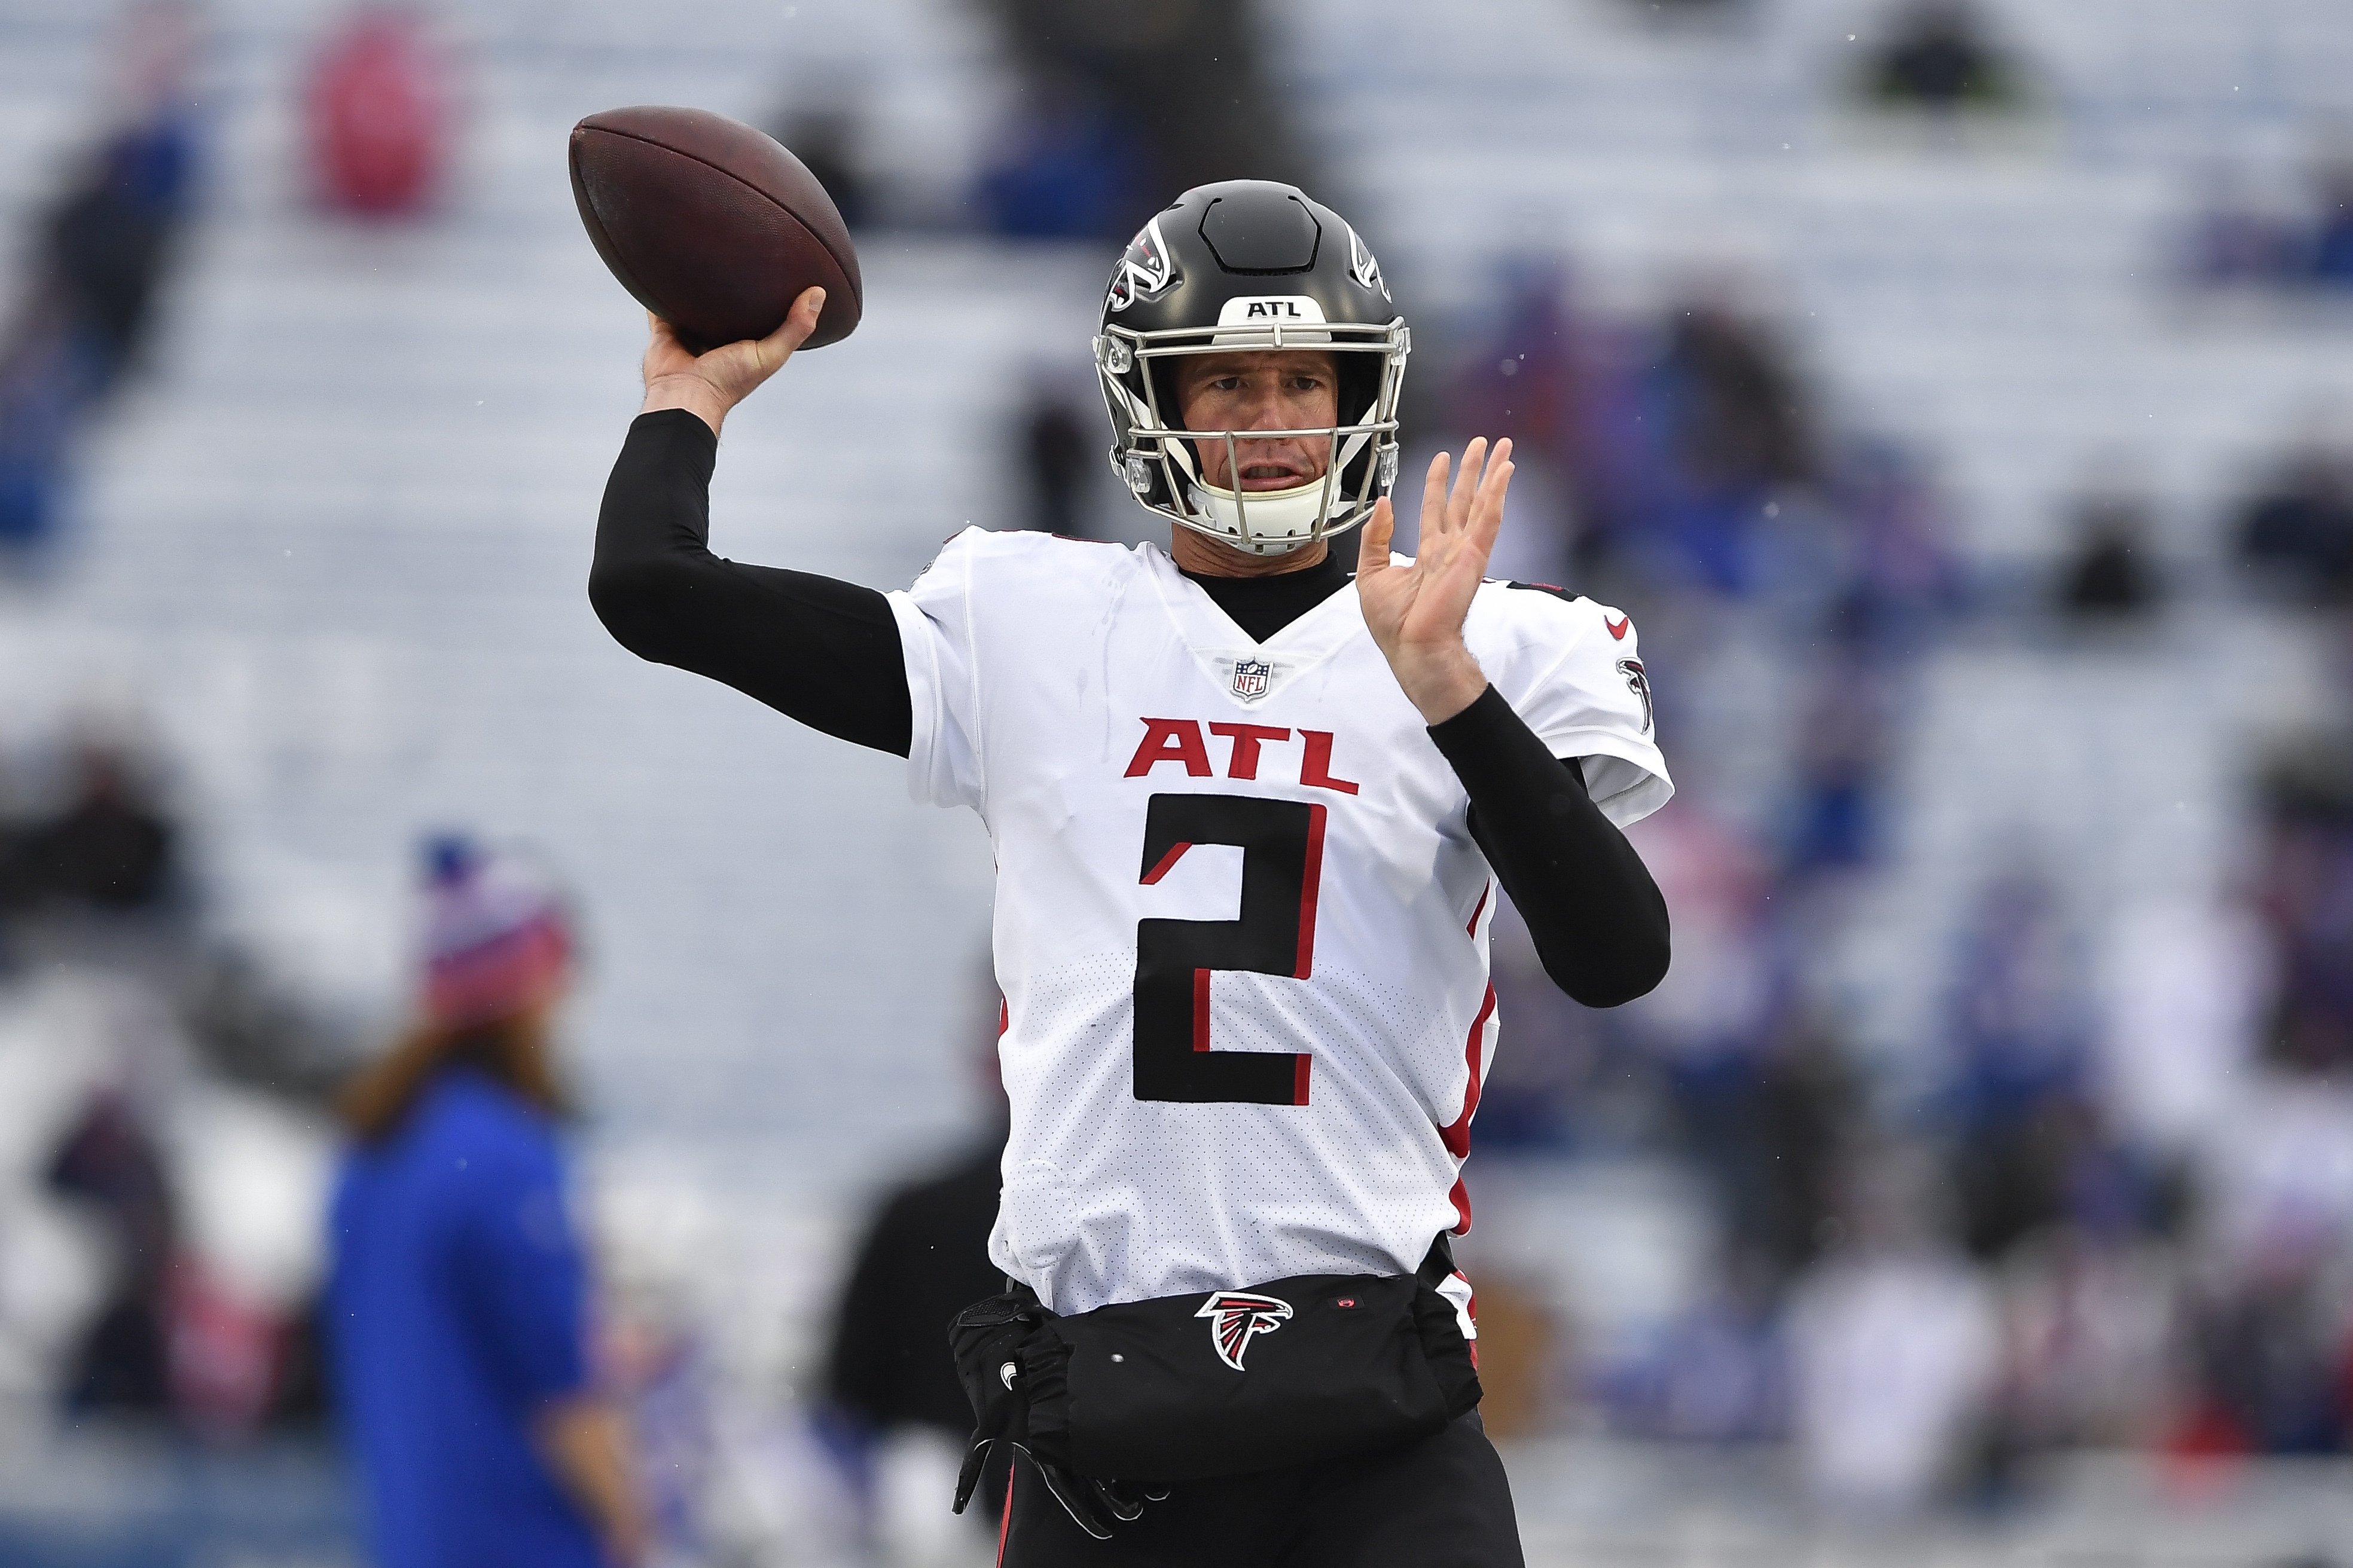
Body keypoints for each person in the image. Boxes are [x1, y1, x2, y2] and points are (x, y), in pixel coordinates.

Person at [591, 179, 1672, 1565]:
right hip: (1111, 1421)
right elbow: (650, 586)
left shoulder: (1494, 643)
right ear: (1147, 399)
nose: (1274, 419)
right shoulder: (1035, 622)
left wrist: (1451, 687)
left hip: (1376, 1409)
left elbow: (1617, 955)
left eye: (1305, 378)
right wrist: (686, 399)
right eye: (1226, 381)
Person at [325, 839, 645, 1568]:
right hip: (517, 1543)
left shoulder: (371, 1153)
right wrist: (634, 1523)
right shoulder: (506, 1154)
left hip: (412, 1539)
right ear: (525, 985)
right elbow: (557, 1388)